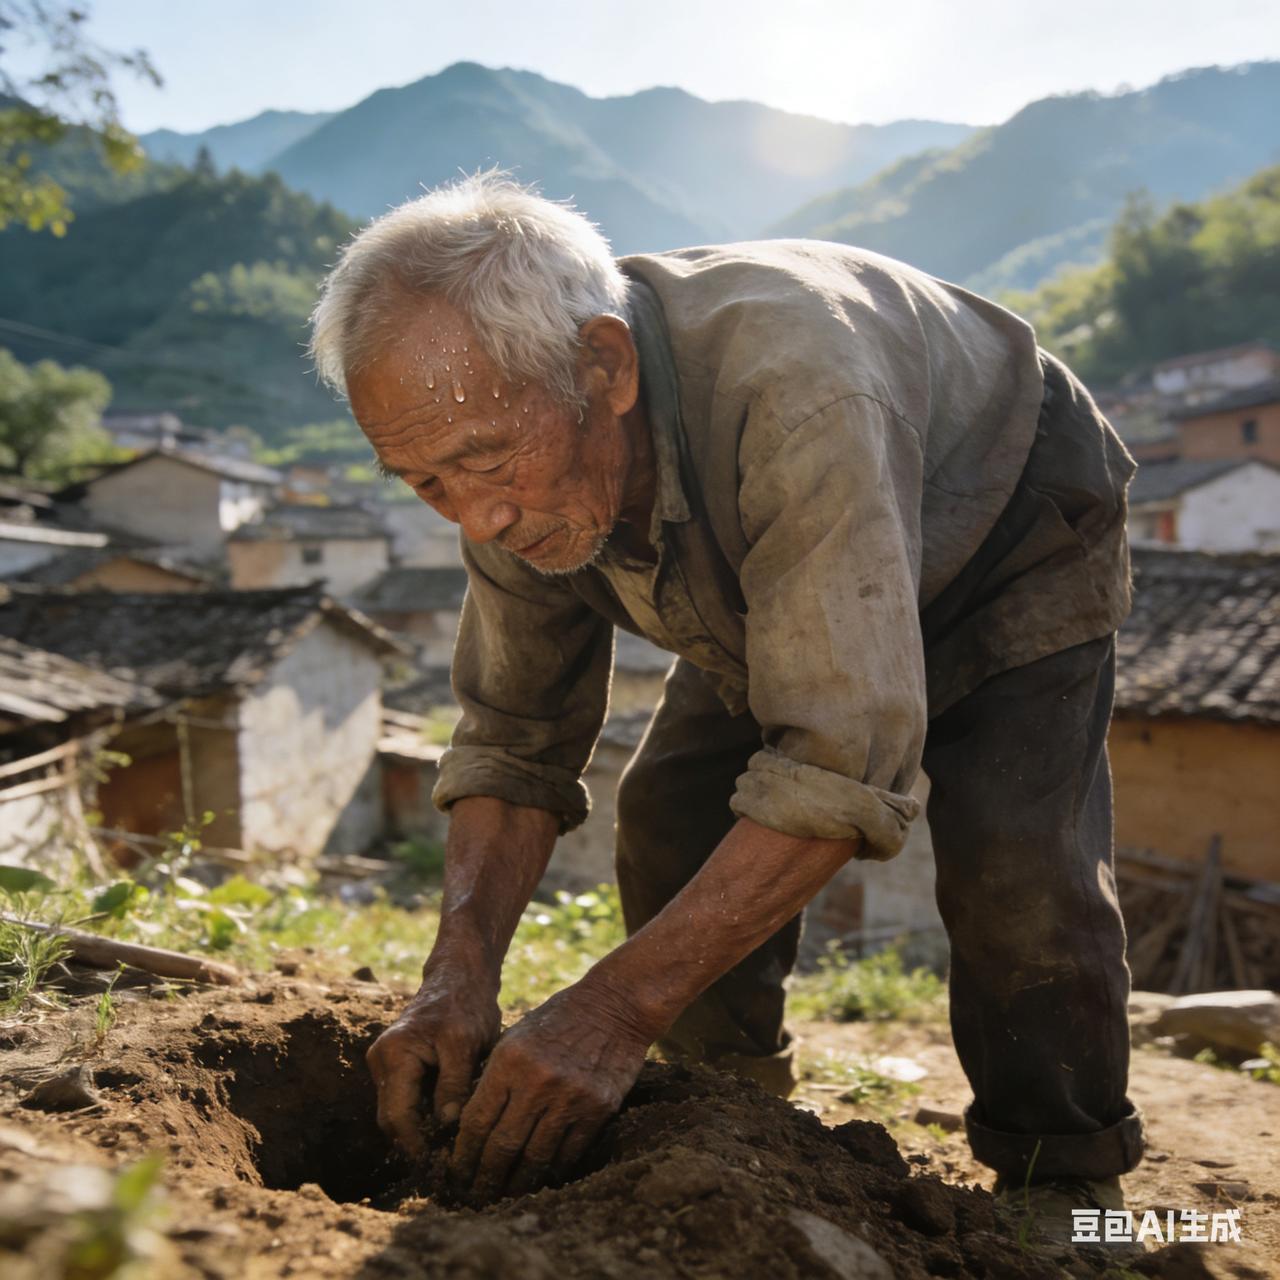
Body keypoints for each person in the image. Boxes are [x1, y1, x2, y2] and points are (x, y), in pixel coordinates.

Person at [308, 172, 1145, 1238]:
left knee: (1016, 869)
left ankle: (1064, 1187)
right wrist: (455, 977)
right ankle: (728, 1108)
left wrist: (605, 1012)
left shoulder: (796, 387)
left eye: (481, 460)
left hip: (1009, 525)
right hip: (781, 568)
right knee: (669, 811)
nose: (476, 513)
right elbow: (514, 738)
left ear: (602, 365)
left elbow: (840, 758)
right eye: (423, 481)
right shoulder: (513, 471)